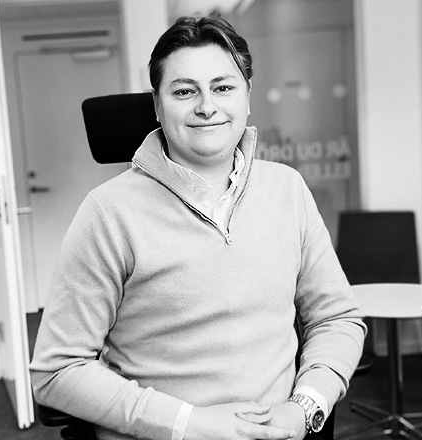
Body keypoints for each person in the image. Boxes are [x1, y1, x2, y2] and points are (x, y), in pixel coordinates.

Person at [30, 16, 366, 440]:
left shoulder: (288, 189)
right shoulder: (108, 212)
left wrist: (306, 406)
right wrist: (189, 423)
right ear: (157, 106)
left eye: (223, 88)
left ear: (247, 97)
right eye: (185, 91)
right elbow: (57, 370)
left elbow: (337, 318)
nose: (207, 106)